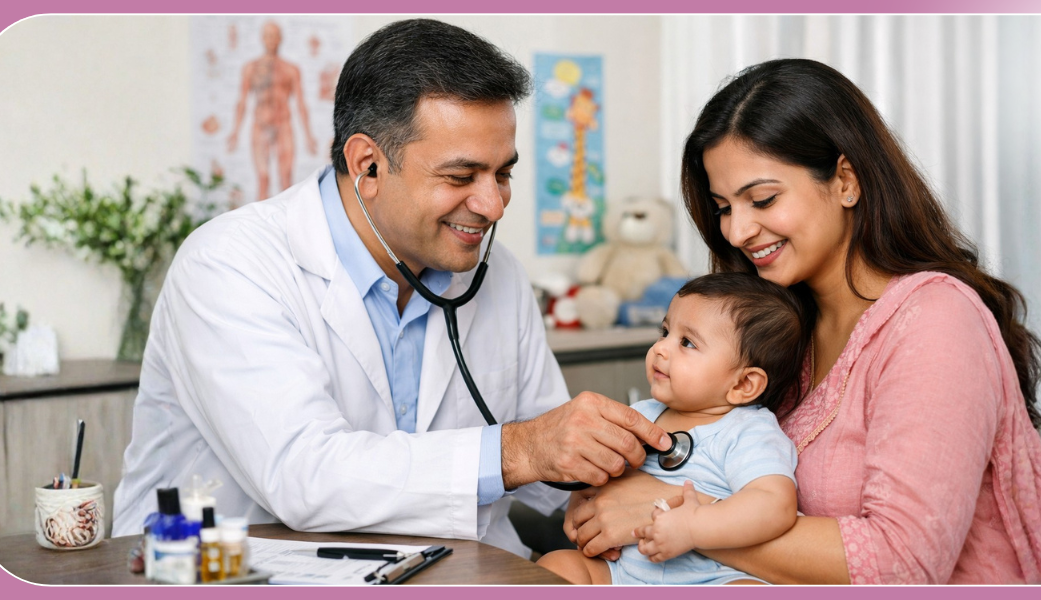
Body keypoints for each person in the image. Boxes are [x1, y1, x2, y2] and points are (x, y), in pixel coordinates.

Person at [114, 19, 673, 559]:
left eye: (503, 173)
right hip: (232, 569)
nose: (495, 204)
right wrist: (519, 450)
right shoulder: (231, 264)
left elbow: (553, 461)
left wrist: (644, 475)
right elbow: (302, 475)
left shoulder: (495, 272)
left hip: (460, 569)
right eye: (461, 177)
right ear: (368, 165)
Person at [564, 58, 1041, 584]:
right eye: (723, 207)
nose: (738, 231)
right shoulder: (778, 329)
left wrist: (666, 515)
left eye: (763, 199)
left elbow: (902, 565)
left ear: (845, 181)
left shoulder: (933, 322)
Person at [537, 273, 805, 584]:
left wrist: (693, 527)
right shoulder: (639, 415)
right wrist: (583, 500)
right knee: (557, 566)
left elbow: (775, 505)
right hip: (623, 573)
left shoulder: (748, 432)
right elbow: (596, 469)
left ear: (744, 384)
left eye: (687, 342)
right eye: (664, 332)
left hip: (709, 579)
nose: (661, 348)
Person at [227, 21, 318, 200]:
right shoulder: (251, 68)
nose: (271, 40)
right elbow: (242, 101)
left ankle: (288, 224)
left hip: (283, 124)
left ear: (280, 39)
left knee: (286, 178)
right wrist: (235, 132)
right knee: (263, 178)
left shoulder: (291, 70)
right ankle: (261, 226)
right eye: (268, 35)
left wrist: (308, 135)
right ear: (262, 38)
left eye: (275, 36)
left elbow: (301, 103)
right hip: (260, 126)